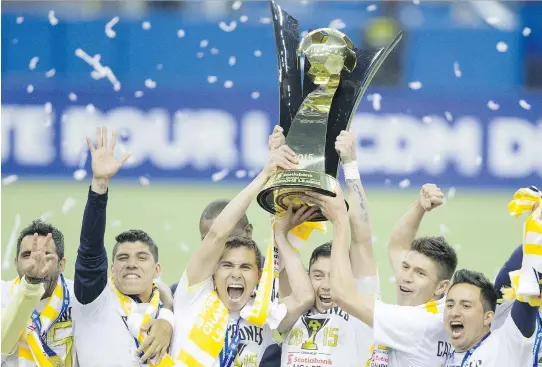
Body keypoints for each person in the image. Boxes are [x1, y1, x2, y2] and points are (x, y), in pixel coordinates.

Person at [170, 133, 315, 366]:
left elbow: (304, 297)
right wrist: (265, 174)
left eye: (245, 267)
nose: (236, 273)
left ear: (258, 274)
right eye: (226, 265)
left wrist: (281, 236)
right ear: (214, 271)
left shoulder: (265, 310)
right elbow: (217, 234)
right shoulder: (193, 294)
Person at [305, 184, 458, 366]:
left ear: (442, 286)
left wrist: (339, 221)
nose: (406, 277)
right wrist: (420, 206)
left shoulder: (414, 324)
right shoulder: (441, 308)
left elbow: (341, 295)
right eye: (406, 267)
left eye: (420, 273)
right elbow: (398, 246)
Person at [72, 126, 175, 366]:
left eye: (141, 257)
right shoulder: (95, 302)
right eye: (122, 258)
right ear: (111, 269)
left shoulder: (167, 309)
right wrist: (99, 186)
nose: (131, 264)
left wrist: (169, 319)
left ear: (157, 270)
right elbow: (90, 251)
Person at [280, 130, 379, 367]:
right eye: (317, 275)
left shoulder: (361, 312)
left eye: (333, 276)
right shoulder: (294, 310)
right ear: (306, 277)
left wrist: (350, 166)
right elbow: (283, 261)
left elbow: (362, 241)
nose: (325, 285)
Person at [1, 220, 76, 366]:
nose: (36, 262)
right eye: (27, 255)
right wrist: (31, 283)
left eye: (46, 255)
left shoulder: (78, 297)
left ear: (61, 264)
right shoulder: (3, 294)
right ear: (16, 262)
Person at [444, 269, 537, 366]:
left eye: (466, 306)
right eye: (450, 305)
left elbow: (531, 278)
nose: (454, 313)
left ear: (487, 317)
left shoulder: (505, 344)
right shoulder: (444, 358)